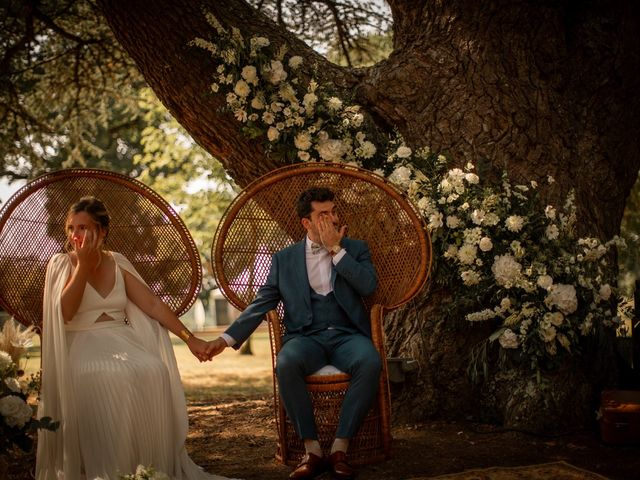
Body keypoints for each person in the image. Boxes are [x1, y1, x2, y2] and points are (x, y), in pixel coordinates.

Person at [36, 196, 234, 480]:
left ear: (102, 231)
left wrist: (189, 338)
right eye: (71, 229)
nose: (76, 236)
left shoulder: (117, 262)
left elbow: (152, 304)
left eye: (84, 228)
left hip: (122, 339)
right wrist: (82, 265)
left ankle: (148, 468)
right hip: (81, 342)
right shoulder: (61, 264)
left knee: (152, 369)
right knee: (110, 374)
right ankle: (110, 471)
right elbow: (65, 312)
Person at [208, 187, 381, 480]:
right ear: (306, 223)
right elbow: (263, 302)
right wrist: (226, 340)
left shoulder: (355, 248)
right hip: (305, 337)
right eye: (322, 214)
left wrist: (336, 250)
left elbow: (368, 287)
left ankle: (340, 448)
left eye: (333, 212)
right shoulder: (283, 259)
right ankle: (312, 449)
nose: (332, 219)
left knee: (371, 361)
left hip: (346, 335)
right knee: (286, 363)